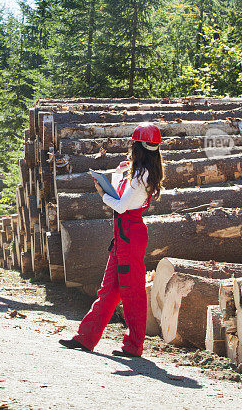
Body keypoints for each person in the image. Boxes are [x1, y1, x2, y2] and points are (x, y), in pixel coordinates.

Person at [59, 122, 164, 357]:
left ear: (137, 146)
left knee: (133, 293)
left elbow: (120, 205)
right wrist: (118, 174)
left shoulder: (140, 176)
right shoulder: (140, 172)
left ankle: (134, 346)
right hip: (125, 235)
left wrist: (101, 195)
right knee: (109, 291)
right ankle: (85, 338)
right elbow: (122, 195)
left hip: (129, 234)